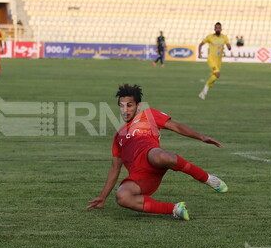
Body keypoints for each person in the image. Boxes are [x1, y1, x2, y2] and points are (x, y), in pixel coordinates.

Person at [87, 84, 228, 221]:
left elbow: (176, 127)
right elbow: (115, 168)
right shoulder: (119, 136)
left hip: (151, 156)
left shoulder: (147, 115)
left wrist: (201, 137)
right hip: (141, 176)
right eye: (121, 106)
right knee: (122, 197)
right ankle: (174, 209)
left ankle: (207, 178)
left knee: (161, 155)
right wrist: (103, 196)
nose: (125, 110)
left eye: (129, 105)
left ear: (138, 105)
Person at [197, 22, 231, 100]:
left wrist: (229, 47)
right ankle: (204, 91)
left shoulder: (224, 37)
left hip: (219, 61)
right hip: (211, 59)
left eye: (219, 28)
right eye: (216, 28)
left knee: (214, 77)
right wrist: (199, 54)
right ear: (214, 29)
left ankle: (203, 93)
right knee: (217, 74)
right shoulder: (210, 37)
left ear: (221, 29)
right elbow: (200, 44)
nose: (218, 29)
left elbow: (229, 46)